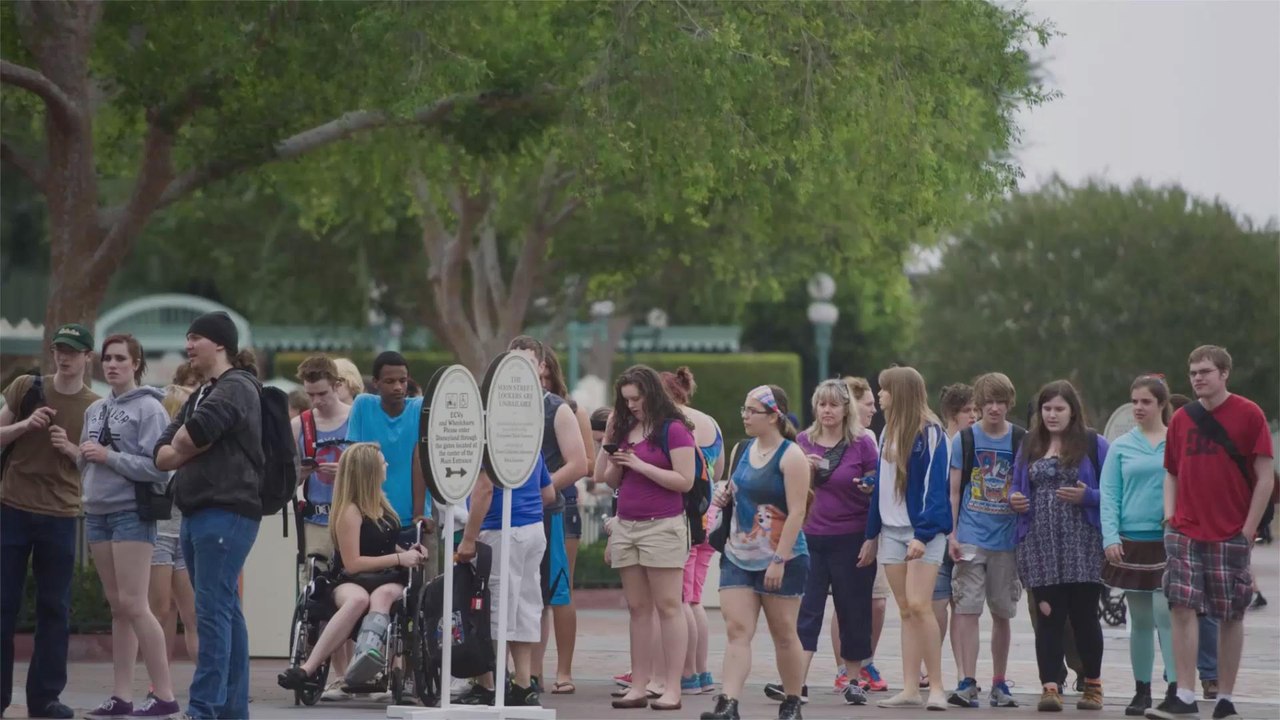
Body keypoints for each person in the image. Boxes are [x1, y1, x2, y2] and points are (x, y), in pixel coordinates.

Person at [1147, 346, 1274, 720]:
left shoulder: (1249, 414)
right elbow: (1171, 472)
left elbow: (1265, 478)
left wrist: (1248, 529)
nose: (1197, 378)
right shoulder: (1183, 418)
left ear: (1224, 374)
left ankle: (1225, 699)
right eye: (1193, 373)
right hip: (1185, 530)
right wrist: (1170, 518)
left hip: (1231, 531)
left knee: (1230, 613)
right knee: (1181, 606)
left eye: (1205, 371)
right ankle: (1185, 695)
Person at [154, 311, 263, 720]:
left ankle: (203, 709)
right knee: (225, 610)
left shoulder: (236, 387)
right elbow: (162, 452)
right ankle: (231, 711)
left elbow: (188, 436)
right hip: (198, 512)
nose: (187, 345)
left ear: (220, 344)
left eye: (195, 337)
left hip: (225, 513)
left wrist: (184, 446)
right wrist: (184, 446)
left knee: (211, 613)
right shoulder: (203, 392)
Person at [0, 323, 100, 720]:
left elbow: (99, 465)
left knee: (54, 609)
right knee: (2, 605)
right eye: (60, 349)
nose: (64, 356)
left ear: (87, 357)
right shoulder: (26, 387)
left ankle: (44, 699)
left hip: (60, 514)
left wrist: (72, 449)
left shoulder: (95, 406)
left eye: (73, 351)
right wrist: (25, 426)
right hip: (11, 507)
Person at [80, 335, 180, 719]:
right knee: (118, 607)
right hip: (97, 511)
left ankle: (164, 694)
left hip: (131, 511)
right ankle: (121, 696)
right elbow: (85, 457)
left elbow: (159, 468)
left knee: (136, 604)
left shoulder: (151, 409)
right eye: (107, 358)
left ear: (136, 363)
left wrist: (109, 457)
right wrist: (77, 455)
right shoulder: (95, 409)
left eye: (121, 358)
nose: (112, 364)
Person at [764, 379, 878, 708]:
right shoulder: (802, 442)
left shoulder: (862, 443)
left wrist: (868, 487)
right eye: (822, 404)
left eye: (833, 405)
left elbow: (877, 483)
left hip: (851, 536)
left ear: (846, 409)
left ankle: (854, 680)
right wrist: (805, 471)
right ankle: (796, 682)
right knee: (806, 611)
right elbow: (783, 486)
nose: (827, 411)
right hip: (809, 537)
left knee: (853, 609)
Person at [278, 443, 428, 691]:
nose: (387, 465)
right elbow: (353, 563)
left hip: (386, 578)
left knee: (383, 595)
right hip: (351, 577)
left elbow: (385, 544)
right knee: (357, 600)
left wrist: (409, 553)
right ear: (369, 471)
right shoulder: (350, 511)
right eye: (382, 462)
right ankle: (308, 668)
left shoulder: (382, 504)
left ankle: (366, 657)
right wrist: (399, 559)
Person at [702, 385, 809, 720]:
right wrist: (724, 494)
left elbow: (797, 512)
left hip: (782, 558)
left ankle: (792, 702)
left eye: (752, 411)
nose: (745, 416)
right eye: (744, 410)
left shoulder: (791, 456)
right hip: (738, 554)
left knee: (784, 634)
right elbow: (736, 489)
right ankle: (728, 704)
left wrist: (779, 560)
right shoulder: (742, 449)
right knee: (737, 630)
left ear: (773, 416)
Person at [596, 366, 696, 713]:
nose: (632, 405)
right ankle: (638, 685)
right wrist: (617, 461)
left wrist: (640, 465)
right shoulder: (627, 428)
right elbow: (610, 480)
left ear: (651, 393)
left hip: (662, 525)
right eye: (626, 400)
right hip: (627, 524)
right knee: (638, 609)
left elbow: (684, 480)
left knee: (668, 606)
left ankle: (672, 687)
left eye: (636, 398)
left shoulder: (674, 430)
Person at [1008, 380, 1108, 713]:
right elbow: (1016, 485)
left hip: (1082, 545)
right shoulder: (1030, 443)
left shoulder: (1093, 443)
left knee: (1084, 617)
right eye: (1046, 408)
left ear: (1072, 411)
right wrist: (1015, 499)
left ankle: (1092, 684)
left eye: (1059, 409)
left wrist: (1089, 496)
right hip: (1039, 545)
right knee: (1047, 616)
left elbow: (1115, 492)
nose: (1052, 415)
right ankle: (1050, 686)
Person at [857, 366, 951, 711]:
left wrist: (923, 535)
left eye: (884, 390)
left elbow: (935, 488)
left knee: (921, 606)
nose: (879, 395)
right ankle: (910, 687)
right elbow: (884, 487)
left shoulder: (931, 433)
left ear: (899, 392)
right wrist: (871, 535)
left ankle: (936, 687)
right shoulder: (887, 432)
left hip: (922, 533)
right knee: (906, 610)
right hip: (892, 533)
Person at [508, 339, 589, 696]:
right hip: (508, 515)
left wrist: (541, 489)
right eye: (513, 361)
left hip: (550, 512)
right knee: (518, 593)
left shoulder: (556, 408)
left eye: (528, 362)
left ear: (542, 366)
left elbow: (579, 463)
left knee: (552, 592)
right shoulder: (500, 406)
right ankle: (523, 673)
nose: (520, 368)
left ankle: (552, 671)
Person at [1099, 375, 1177, 716]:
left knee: (1166, 614)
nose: (1139, 407)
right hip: (1131, 541)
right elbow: (1109, 494)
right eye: (1134, 401)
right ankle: (1141, 689)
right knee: (1141, 619)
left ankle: (1176, 687)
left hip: (1168, 541)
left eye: (1146, 401)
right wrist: (1110, 537)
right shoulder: (1121, 446)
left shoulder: (1176, 441)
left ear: (1161, 404)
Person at [946, 374, 1022, 709]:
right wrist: (951, 534)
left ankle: (999, 681)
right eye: (988, 402)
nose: (994, 408)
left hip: (1006, 538)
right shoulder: (964, 440)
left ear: (1009, 403)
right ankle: (967, 680)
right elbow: (953, 492)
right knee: (966, 609)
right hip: (970, 536)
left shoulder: (1020, 440)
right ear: (979, 405)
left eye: (1000, 402)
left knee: (1002, 611)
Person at [456, 454, 556, 707]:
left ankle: (490, 684)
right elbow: (548, 493)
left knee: (494, 607)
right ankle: (523, 684)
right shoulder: (528, 444)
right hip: (533, 527)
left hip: (501, 529)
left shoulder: (488, 443)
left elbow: (484, 489)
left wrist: (469, 538)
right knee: (525, 606)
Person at [291, 355, 354, 700]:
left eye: (323, 394)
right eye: (310, 395)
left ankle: (356, 672)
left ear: (337, 385)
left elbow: (377, 469)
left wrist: (347, 470)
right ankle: (338, 675)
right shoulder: (300, 426)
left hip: (351, 519)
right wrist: (298, 475)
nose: (316, 402)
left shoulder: (356, 419)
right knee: (320, 597)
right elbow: (283, 479)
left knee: (353, 594)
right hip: (316, 519)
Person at [662, 368, 725, 698]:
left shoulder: (671, 425)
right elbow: (719, 471)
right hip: (709, 513)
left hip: (684, 514)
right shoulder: (711, 423)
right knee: (695, 598)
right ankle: (702, 671)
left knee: (680, 598)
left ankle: (685, 673)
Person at [1167, 391, 1220, 701]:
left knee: (1207, 609)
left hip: (1210, 529)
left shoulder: (1203, 441)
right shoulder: (1168, 442)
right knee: (1177, 605)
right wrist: (1169, 516)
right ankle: (1176, 674)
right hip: (1176, 530)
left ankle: (1211, 674)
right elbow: (1169, 478)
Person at [346, 351, 430, 545]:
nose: (398, 387)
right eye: (390, 381)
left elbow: (419, 461)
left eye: (403, 381)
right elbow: (354, 461)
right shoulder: (363, 404)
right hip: (369, 516)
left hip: (410, 518)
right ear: (376, 383)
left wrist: (419, 515)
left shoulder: (418, 407)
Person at [150, 375, 199, 668]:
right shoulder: (159, 448)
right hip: (161, 533)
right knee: (160, 612)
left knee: (190, 614)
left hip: (181, 531)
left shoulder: (190, 447)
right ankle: (159, 681)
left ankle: (205, 681)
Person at [935, 382, 975, 698]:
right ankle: (931, 669)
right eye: (967, 411)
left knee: (961, 608)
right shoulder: (940, 445)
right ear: (952, 414)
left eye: (975, 410)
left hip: (966, 535)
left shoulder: (974, 446)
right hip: (937, 536)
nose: (973, 416)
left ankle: (964, 674)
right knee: (936, 608)